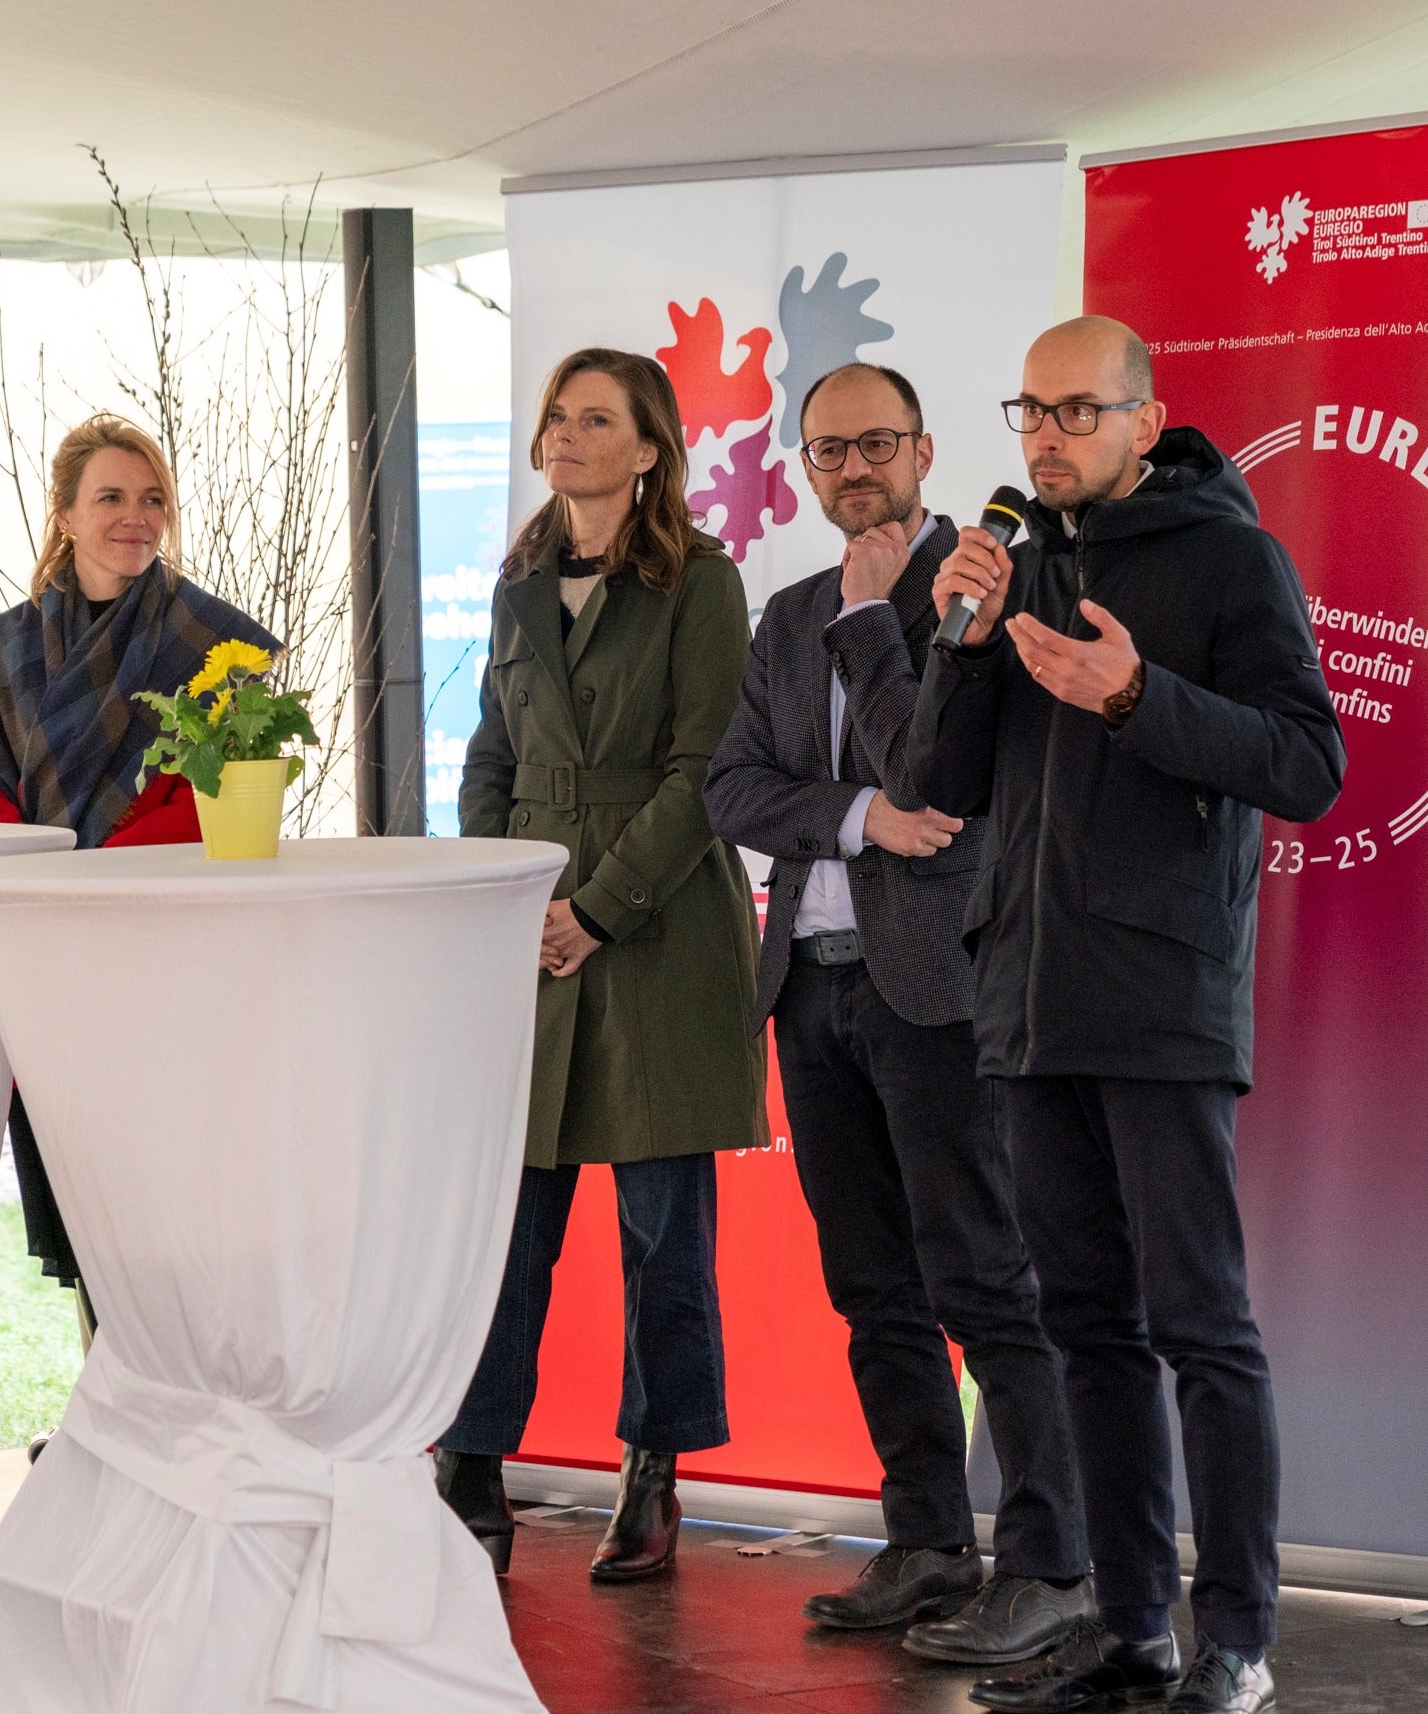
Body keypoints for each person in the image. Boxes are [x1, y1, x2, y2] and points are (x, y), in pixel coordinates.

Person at [907, 317, 1343, 1714]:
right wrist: (960, 645)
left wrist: (1138, 695)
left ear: (1145, 423)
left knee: (1200, 1327)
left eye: (1076, 412)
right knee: (1084, 1327)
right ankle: (1134, 1626)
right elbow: (938, 785)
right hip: (1028, 1001)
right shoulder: (1013, 563)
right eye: (1028, 411)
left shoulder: (1229, 558)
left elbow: (1307, 763)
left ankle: (1238, 1642)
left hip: (1160, 997)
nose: (1044, 436)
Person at [704, 362, 1092, 1667]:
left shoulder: (980, 588)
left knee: (983, 1277)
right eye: (828, 451)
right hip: (808, 988)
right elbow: (733, 789)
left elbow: (940, 771)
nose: (852, 469)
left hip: (937, 988)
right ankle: (927, 1540)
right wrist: (862, 818)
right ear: (805, 470)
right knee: (872, 1285)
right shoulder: (788, 615)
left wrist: (882, 630)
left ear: (923, 451)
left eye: (875, 443)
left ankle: (1050, 1563)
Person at [434, 347, 762, 1585]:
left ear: (648, 448)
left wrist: (598, 908)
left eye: (594, 419)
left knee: (661, 1230)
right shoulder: (518, 582)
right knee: (507, 1224)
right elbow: (489, 756)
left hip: (659, 929)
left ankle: (653, 1466)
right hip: (530, 930)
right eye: (555, 418)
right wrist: (502, 890)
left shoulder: (701, 582)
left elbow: (704, 773)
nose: (564, 436)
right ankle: (469, 1463)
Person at [0, 415, 278, 1373]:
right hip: (43, 954)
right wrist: (50, 901)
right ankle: (113, 1400)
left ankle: (183, 1392)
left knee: (176, 1195)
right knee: (80, 1188)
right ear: (64, 515)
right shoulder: (1, 650)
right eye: (110, 498)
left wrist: (99, 886)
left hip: (168, 949)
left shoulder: (214, 644)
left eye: (151, 499)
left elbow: (210, 794)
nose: (136, 517)